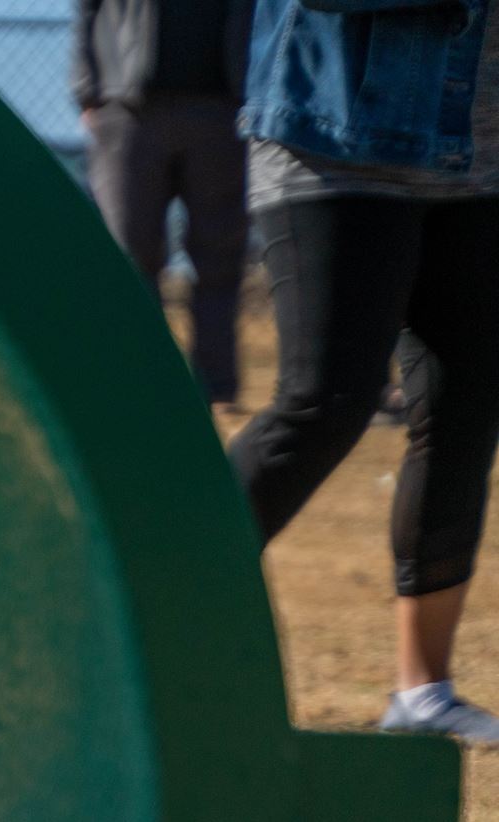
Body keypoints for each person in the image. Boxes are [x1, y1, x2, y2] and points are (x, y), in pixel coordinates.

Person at [229, 0, 499, 742]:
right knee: (325, 403)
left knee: (463, 414)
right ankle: (143, 601)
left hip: (479, 163)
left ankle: (424, 691)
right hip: (336, 141)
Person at [72, 0, 252, 407]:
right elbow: (87, 9)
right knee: (129, 258)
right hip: (127, 110)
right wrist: (87, 90)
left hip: (223, 108)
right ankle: (141, 378)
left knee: (220, 258)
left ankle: (218, 387)